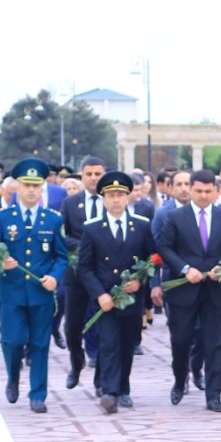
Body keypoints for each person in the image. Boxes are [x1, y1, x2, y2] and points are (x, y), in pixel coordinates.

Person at [156, 168, 221, 412]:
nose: (203, 195)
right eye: (198, 191)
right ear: (190, 190)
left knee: (213, 344)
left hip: (215, 290)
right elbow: (164, 247)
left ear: (215, 191)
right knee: (180, 340)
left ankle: (214, 396)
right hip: (183, 290)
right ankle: (180, 381)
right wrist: (184, 269)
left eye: (208, 191)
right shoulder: (175, 217)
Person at [0, 158, 65, 412]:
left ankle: (38, 394)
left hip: (41, 292)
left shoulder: (52, 219)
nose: (31, 190)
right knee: (11, 342)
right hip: (12, 293)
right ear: (17, 187)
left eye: (36, 185)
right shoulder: (2, 218)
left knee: (40, 344)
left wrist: (55, 276)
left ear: (42, 188)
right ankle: (13, 377)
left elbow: (62, 256)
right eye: (27, 185)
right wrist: (2, 263)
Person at [79, 171, 155, 413]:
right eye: (111, 195)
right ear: (103, 198)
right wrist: (99, 294)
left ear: (128, 197)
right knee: (109, 342)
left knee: (127, 342)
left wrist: (140, 281)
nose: (116, 200)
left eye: (120, 195)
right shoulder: (92, 228)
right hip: (106, 298)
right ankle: (110, 392)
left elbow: (151, 260)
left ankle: (123, 388)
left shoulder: (141, 226)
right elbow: (85, 267)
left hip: (131, 298)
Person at [60, 156, 108, 386]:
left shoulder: (112, 201)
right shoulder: (71, 203)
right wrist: (85, 246)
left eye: (98, 174)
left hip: (103, 274)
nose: (93, 178)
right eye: (89, 174)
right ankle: (76, 362)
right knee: (72, 327)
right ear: (82, 175)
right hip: (76, 274)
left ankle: (100, 376)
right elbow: (63, 234)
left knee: (101, 325)